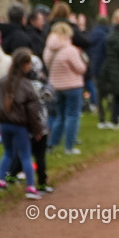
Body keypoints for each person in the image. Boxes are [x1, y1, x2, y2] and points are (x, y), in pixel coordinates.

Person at [0, 48, 44, 199]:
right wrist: (37, 130)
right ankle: (30, 187)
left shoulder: (1, 82)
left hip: (4, 124)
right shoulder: (27, 85)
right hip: (20, 126)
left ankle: (0, 181)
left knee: (8, 152)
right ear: (25, 65)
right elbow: (33, 111)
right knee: (25, 155)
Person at [44, 21, 88, 154]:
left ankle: (51, 144)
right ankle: (69, 147)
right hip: (72, 86)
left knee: (59, 116)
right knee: (72, 116)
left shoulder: (48, 50)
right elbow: (81, 68)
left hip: (56, 86)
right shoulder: (70, 50)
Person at [88, 16, 111, 127]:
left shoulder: (92, 34)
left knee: (99, 93)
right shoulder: (106, 35)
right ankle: (112, 116)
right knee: (110, 92)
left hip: (94, 67)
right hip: (105, 67)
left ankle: (101, 118)